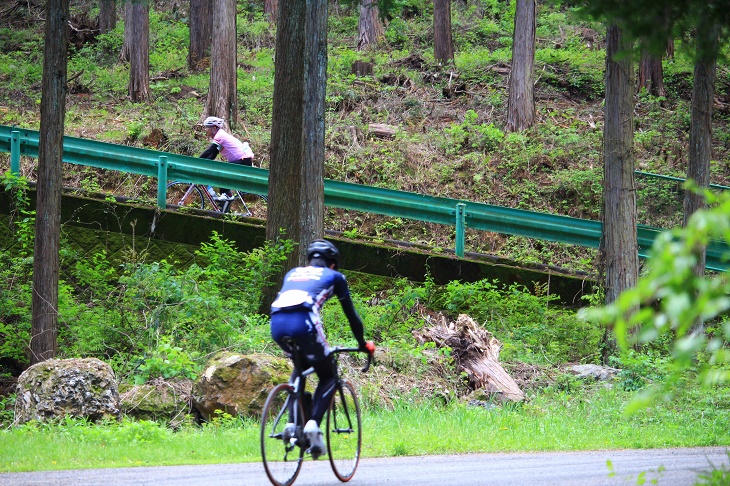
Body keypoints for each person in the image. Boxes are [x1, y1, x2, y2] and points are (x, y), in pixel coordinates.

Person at [270, 239, 375, 460]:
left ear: (310, 260)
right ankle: (312, 425)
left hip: (277, 323)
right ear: (333, 264)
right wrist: (362, 343)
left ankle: (291, 424)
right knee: (328, 374)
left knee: (300, 367)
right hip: (304, 323)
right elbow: (351, 315)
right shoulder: (335, 277)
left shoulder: (293, 273)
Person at [199, 116, 254, 202]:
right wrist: (203, 164)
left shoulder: (220, 135)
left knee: (222, 171)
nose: (205, 129)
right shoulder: (220, 135)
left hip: (243, 160)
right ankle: (224, 206)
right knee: (222, 172)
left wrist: (197, 161)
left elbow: (210, 151)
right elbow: (213, 154)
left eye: (207, 127)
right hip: (244, 160)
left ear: (214, 128)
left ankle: (227, 194)